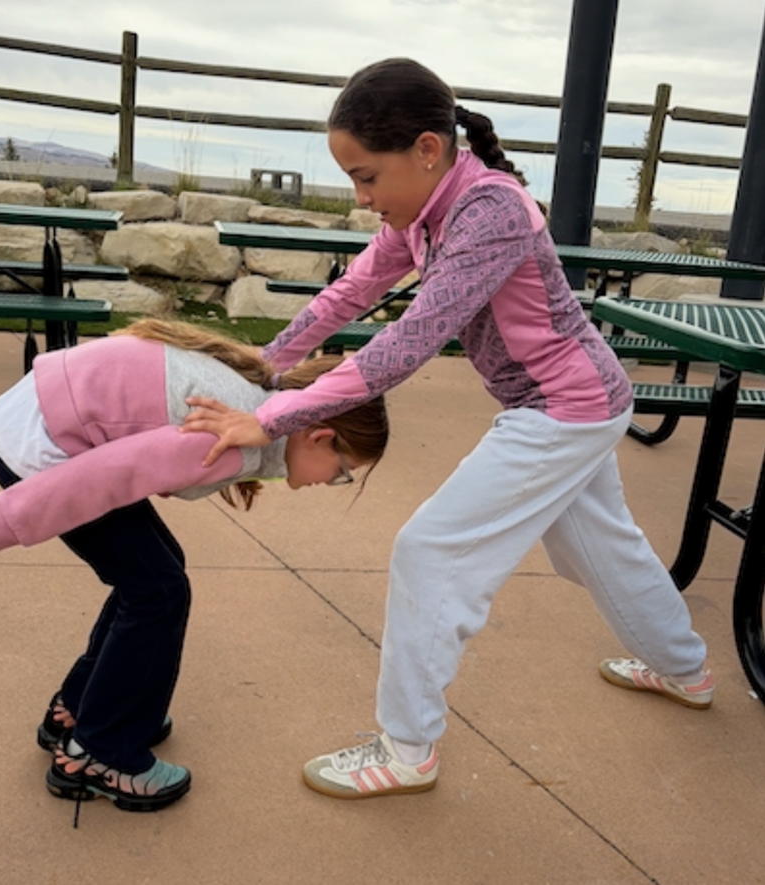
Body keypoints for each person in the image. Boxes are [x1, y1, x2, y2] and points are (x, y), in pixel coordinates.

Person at [180, 58, 714, 800]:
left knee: (431, 552)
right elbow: (351, 293)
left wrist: (270, 416)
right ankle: (685, 668)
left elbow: (406, 344)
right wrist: (263, 365)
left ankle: (407, 747)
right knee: (602, 549)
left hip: (563, 409)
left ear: (427, 150)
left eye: (367, 177)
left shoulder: (491, 212)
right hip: (577, 404)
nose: (363, 197)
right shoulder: (426, 211)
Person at [0, 318, 389, 816]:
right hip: (52, 458)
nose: (333, 482)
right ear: (319, 437)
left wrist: (5, 441)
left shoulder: (253, 402)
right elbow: (102, 477)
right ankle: (100, 754)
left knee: (156, 577)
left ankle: (79, 710)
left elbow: (118, 407)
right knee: (157, 592)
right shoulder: (232, 436)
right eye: (342, 473)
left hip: (44, 428)